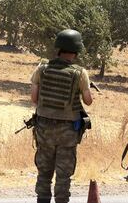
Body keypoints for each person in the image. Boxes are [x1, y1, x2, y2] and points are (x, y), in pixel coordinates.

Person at [30, 29, 93, 203]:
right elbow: (88, 102)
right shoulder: (79, 73)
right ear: (76, 50)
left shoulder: (42, 68)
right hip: (67, 131)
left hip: (43, 127)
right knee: (63, 173)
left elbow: (34, 99)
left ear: (58, 48)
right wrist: (84, 89)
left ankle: (42, 199)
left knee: (44, 171)